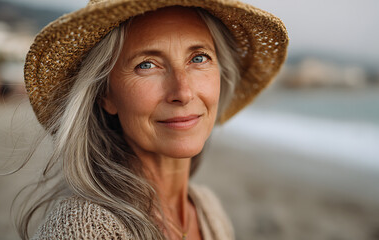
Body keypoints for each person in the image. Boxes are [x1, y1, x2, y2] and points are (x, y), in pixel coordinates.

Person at [19, 0, 288, 239]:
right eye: (146, 64)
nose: (182, 92)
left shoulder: (209, 210)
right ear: (105, 94)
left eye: (198, 58)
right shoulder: (81, 229)